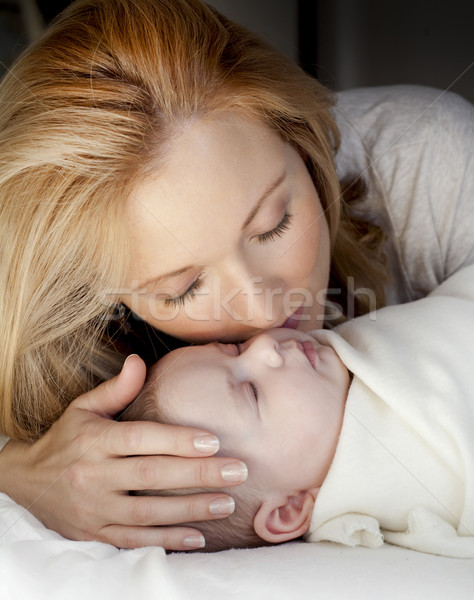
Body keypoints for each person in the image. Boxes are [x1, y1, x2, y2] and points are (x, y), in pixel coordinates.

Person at [0, 0, 472, 550]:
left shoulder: (426, 160)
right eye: (185, 289)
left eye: (275, 226)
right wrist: (24, 474)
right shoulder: (59, 332)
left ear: (305, 142)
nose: (266, 314)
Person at [123, 264, 474, 557]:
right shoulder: (418, 471)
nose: (264, 346)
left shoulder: (344, 353)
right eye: (254, 393)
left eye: (235, 347)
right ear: (289, 509)